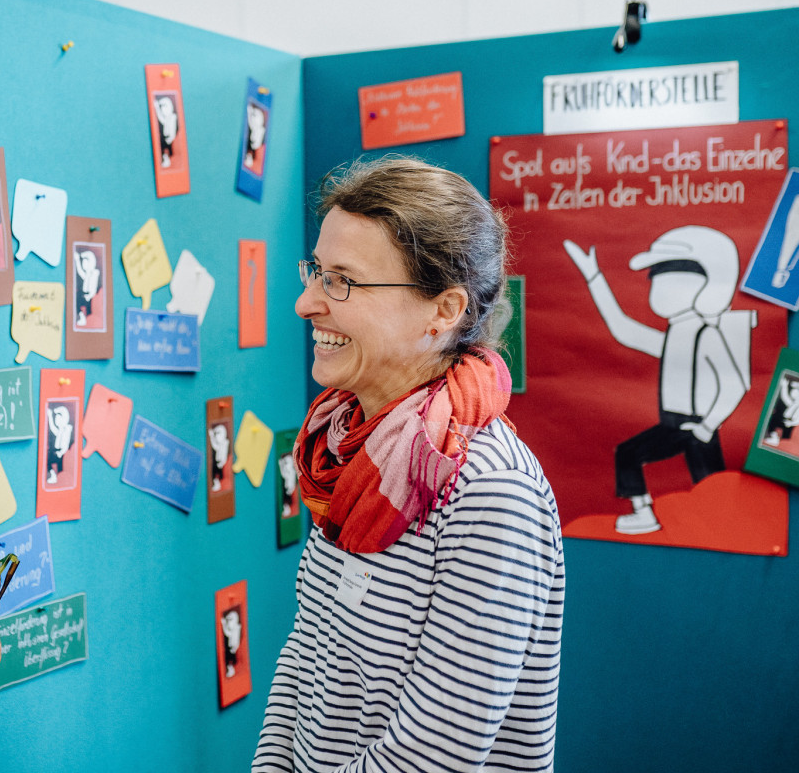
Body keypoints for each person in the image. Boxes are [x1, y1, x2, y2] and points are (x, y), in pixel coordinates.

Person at [253, 156, 564, 772]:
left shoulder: (490, 491)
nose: (306, 302)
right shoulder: (346, 451)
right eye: (316, 271)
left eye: (343, 281)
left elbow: (433, 755)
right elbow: (304, 662)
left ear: (443, 310)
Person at [564, 226, 752, 534]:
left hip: (696, 426)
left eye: (672, 281)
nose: (660, 289)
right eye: (656, 279)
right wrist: (594, 276)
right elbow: (623, 329)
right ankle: (644, 513)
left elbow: (735, 384)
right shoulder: (676, 334)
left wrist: (708, 426)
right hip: (672, 424)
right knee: (629, 453)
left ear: (703, 286)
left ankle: (725, 525)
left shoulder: (707, 335)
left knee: (712, 484)